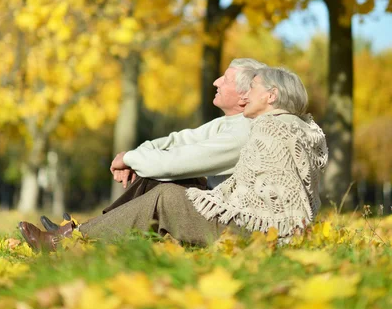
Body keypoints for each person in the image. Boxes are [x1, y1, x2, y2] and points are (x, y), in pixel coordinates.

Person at [19, 66, 328, 250]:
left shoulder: (272, 129)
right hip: (259, 227)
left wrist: (282, 234)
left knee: (167, 196)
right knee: (174, 189)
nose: (247, 95)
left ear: (271, 96)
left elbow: (280, 200)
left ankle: (68, 243)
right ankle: (83, 234)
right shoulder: (289, 126)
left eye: (253, 88)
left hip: (259, 233)